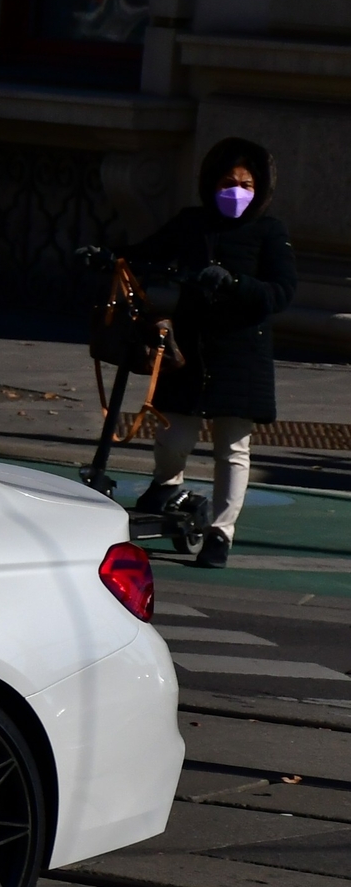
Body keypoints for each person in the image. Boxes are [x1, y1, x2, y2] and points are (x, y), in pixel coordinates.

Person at [122, 137, 297, 569]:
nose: (236, 192)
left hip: (241, 355)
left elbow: (280, 292)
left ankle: (221, 532)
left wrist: (235, 284)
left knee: (232, 448)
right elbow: (145, 254)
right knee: (172, 435)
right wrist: (110, 259)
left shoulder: (269, 232)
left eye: (246, 184)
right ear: (210, 184)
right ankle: (168, 484)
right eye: (227, 182)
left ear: (260, 189)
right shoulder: (191, 223)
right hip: (190, 350)